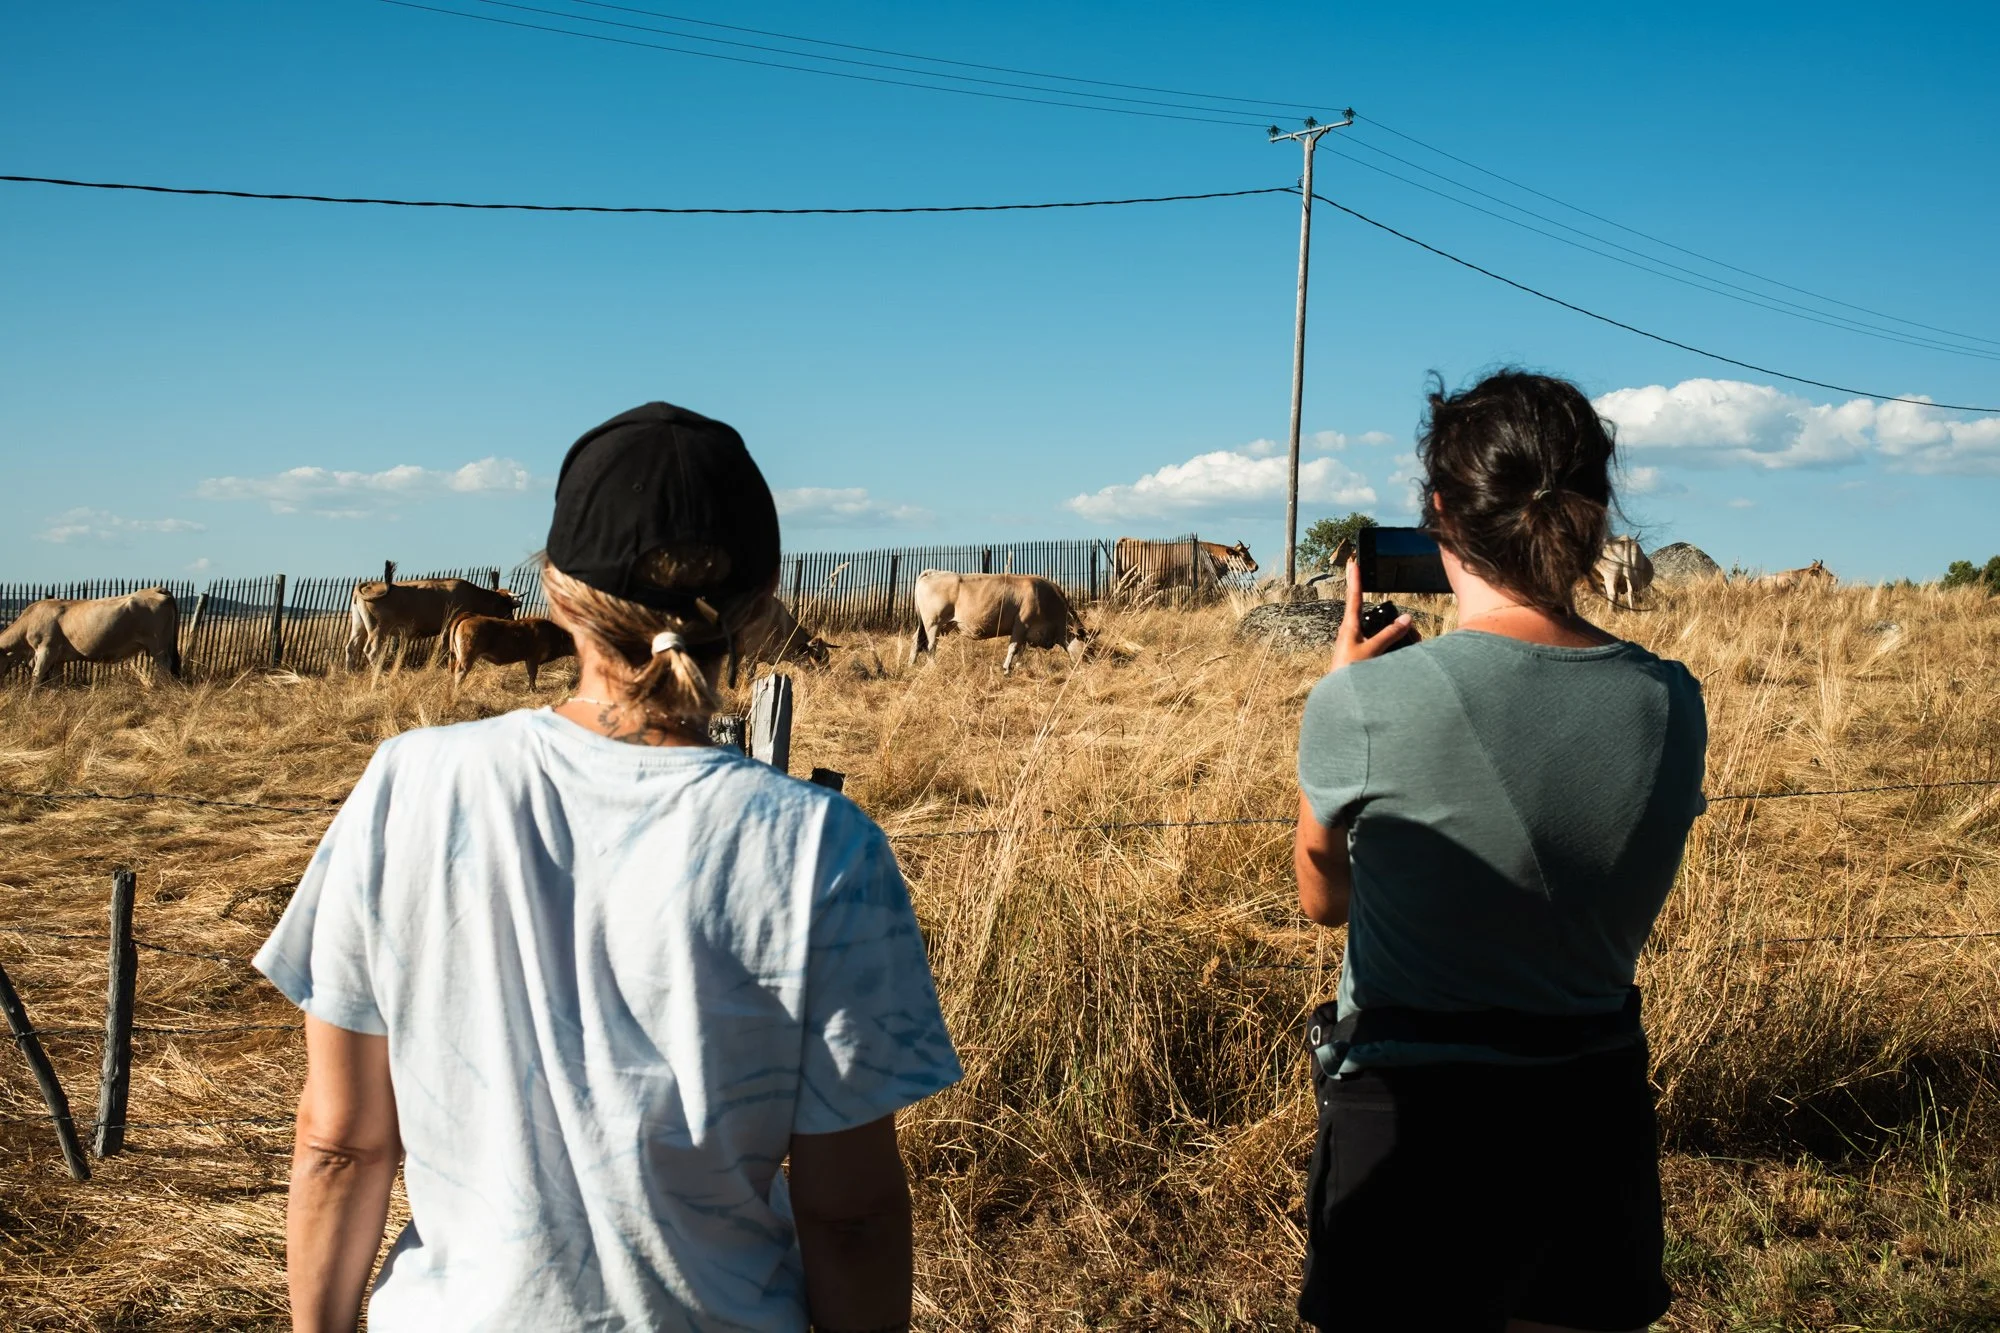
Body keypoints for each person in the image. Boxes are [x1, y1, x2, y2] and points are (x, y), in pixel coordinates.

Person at [255, 402, 962, 1332]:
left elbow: (341, 1146)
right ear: (760, 603)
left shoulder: (408, 785)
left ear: (553, 592)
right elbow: (851, 1211)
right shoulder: (822, 846)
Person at [1292, 371, 1706, 1332]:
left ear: (1440, 512)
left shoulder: (1361, 702)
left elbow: (1325, 900)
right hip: (1591, 1111)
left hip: (1411, 1121)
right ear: (1594, 518)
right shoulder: (1671, 699)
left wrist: (1346, 695)